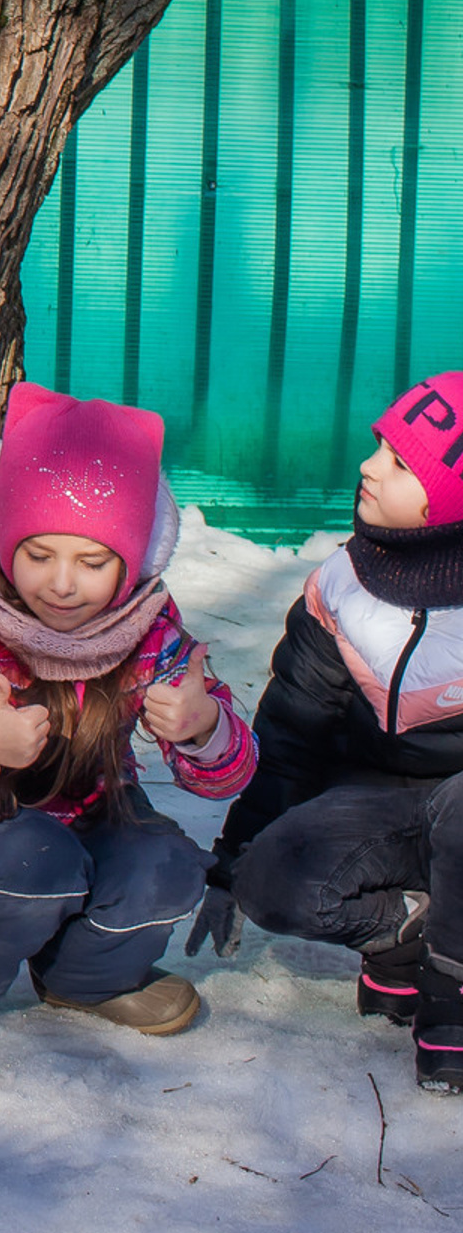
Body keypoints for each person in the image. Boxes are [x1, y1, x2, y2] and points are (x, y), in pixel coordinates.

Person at [0, 383, 255, 1056]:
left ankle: (87, 978)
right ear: (5, 537)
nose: (62, 583)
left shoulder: (146, 628)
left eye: (92, 562)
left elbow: (225, 778)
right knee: (33, 860)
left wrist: (201, 726)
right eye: (39, 554)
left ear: (133, 561)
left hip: (89, 824)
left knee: (167, 865)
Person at [205, 374, 463, 1094]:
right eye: (380, 446)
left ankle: (454, 989)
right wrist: (233, 861)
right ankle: (401, 942)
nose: (368, 466)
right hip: (379, 809)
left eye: (402, 463)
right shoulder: (343, 583)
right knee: (273, 879)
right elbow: (292, 730)